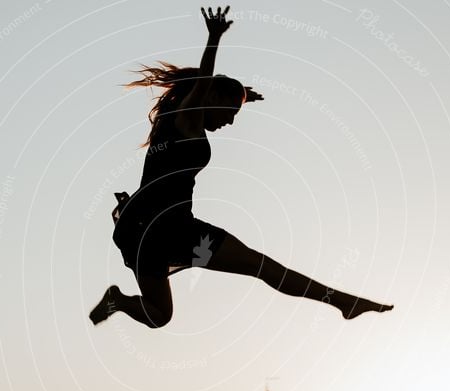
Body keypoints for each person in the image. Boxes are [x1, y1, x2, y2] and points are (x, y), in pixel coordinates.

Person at [90, 6, 392, 328]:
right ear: (209, 98)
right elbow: (205, 82)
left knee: (159, 315)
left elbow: (207, 88)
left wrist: (243, 93)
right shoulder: (187, 120)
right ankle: (343, 302)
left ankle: (117, 301)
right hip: (171, 229)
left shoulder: (172, 122)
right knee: (260, 265)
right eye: (230, 112)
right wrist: (214, 37)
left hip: (143, 233)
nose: (231, 121)